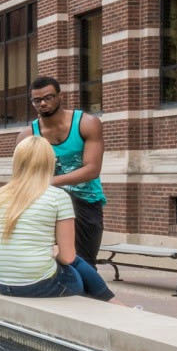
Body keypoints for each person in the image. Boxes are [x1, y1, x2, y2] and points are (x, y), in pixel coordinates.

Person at [0, 136, 115, 301]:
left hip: (1, 282)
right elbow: (68, 257)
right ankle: (112, 303)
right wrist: (52, 254)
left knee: (64, 260)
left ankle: (113, 301)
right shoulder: (58, 197)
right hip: (38, 284)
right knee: (75, 265)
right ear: (50, 162)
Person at [29, 75, 106, 266]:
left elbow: (92, 170)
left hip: (84, 201)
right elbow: (24, 175)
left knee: (85, 262)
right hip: (47, 202)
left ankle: (88, 295)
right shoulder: (28, 135)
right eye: (37, 100)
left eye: (48, 97)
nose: (43, 104)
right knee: (50, 261)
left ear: (59, 96)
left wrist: (50, 181)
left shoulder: (86, 123)